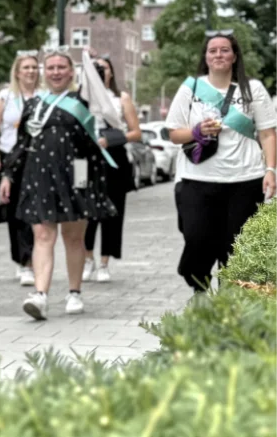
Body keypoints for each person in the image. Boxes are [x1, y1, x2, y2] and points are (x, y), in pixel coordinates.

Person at [0, 50, 117, 320]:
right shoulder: (33, 104)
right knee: (42, 236)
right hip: (38, 176)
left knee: (73, 237)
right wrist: (8, 175)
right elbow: (22, 144)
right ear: (45, 72)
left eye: (61, 67)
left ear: (71, 71)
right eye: (50, 67)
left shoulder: (83, 102)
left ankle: (74, 292)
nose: (55, 72)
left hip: (77, 175)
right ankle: (40, 295)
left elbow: (98, 137)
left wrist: (85, 186)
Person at [166, 31, 277, 292]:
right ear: (205, 57)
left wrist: (271, 170)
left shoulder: (253, 88)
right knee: (196, 240)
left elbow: (268, 133)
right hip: (197, 179)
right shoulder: (191, 88)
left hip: (245, 179)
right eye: (213, 50)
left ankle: (229, 300)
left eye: (225, 50)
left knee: (236, 248)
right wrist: (197, 131)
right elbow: (174, 133)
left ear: (234, 56)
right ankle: (199, 287)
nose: (219, 55)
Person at [82, 56, 142, 283]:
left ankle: (105, 262)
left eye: (104, 68)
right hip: (85, 161)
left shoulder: (120, 98)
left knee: (112, 212)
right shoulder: (82, 99)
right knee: (85, 213)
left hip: (114, 158)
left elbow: (136, 132)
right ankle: (87, 258)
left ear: (111, 72)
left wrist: (111, 139)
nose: (100, 72)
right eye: (96, 68)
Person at [0, 51, 40, 287]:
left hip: (35, 158)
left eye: (34, 67)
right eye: (26, 67)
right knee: (15, 212)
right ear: (17, 72)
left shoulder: (44, 97)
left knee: (31, 211)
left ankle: (29, 262)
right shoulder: (5, 97)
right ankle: (21, 259)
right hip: (10, 157)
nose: (31, 71)